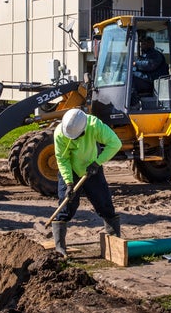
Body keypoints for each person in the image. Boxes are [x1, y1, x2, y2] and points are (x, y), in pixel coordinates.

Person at [52, 108, 122, 256]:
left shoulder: (94, 125)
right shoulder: (59, 133)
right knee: (66, 206)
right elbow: (62, 159)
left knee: (104, 203)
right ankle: (59, 248)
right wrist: (69, 183)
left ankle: (114, 244)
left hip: (92, 167)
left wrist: (97, 163)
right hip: (70, 170)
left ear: (83, 130)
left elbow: (115, 143)